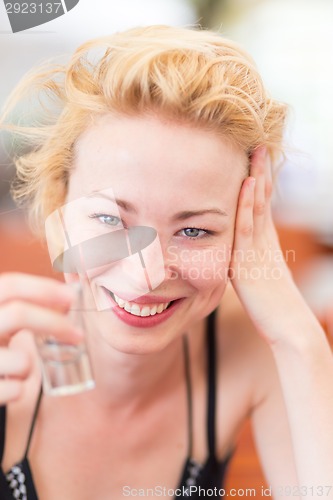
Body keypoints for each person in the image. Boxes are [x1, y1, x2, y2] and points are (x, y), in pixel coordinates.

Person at [0, 25, 332, 500]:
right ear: (59, 208)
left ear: (244, 232)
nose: (147, 273)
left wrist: (297, 335)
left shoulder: (251, 350)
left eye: (194, 230)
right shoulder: (7, 355)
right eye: (111, 219)